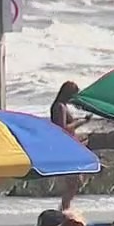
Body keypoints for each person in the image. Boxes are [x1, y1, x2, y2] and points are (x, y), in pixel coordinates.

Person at [49, 81, 91, 210]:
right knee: (74, 182)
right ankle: (64, 209)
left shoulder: (61, 106)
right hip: (65, 147)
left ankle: (65, 208)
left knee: (75, 182)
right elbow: (63, 129)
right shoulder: (60, 107)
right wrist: (82, 121)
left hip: (69, 145)